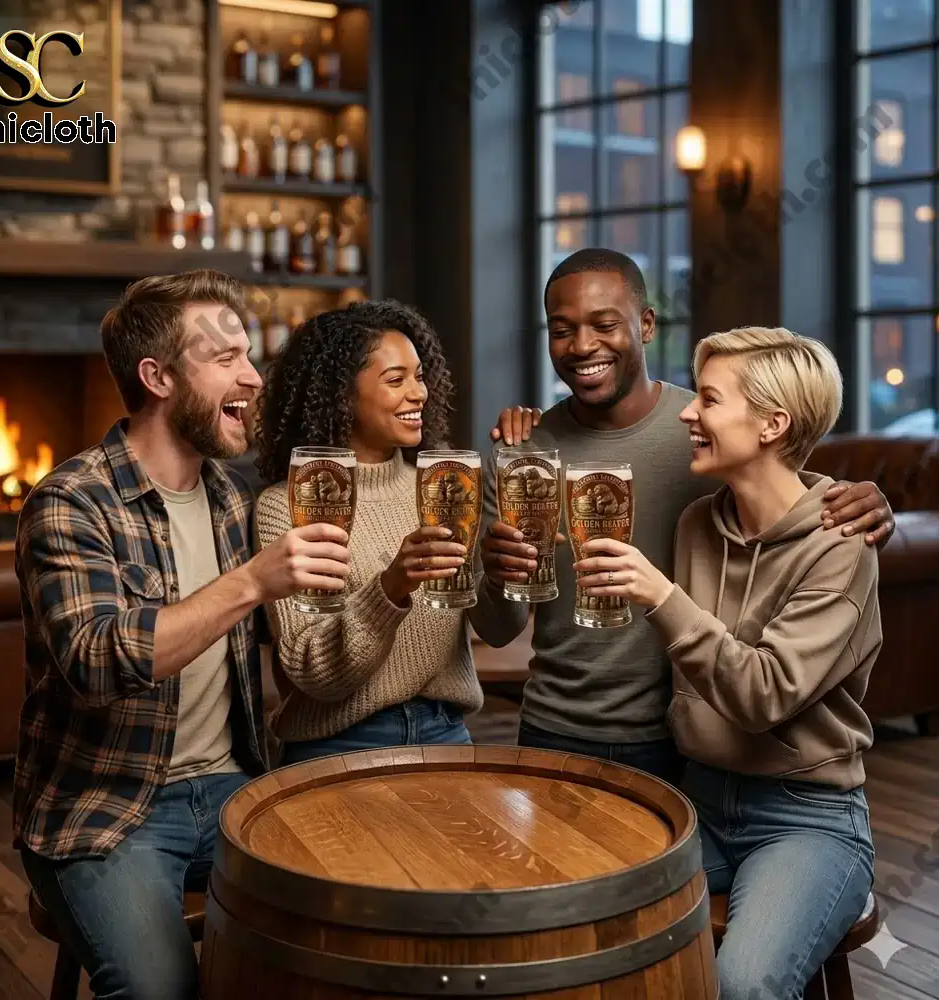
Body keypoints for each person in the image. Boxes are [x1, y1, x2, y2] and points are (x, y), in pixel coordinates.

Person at [13, 270, 352, 1000]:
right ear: (157, 375)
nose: (253, 378)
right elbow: (97, 660)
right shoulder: (71, 502)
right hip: (110, 810)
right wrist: (253, 582)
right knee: (159, 987)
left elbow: (296, 644)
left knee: (358, 925)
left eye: (250, 355)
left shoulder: (236, 497)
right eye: (227, 357)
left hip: (236, 786)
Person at [476, 248, 894, 786]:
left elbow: (786, 495)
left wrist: (868, 500)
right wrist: (499, 574)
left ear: (646, 325)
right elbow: (496, 626)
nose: (582, 346)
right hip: (553, 727)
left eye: (605, 324)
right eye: (562, 330)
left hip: (685, 739)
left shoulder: (703, 435)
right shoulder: (523, 450)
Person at [576, 326, 878, 999]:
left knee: (744, 984)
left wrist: (661, 594)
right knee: (580, 923)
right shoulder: (696, 525)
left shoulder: (841, 545)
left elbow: (765, 695)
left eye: (708, 399)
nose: (688, 411)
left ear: (773, 424)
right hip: (700, 801)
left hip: (808, 817)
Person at [254, 300, 502, 764]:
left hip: (447, 736)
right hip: (340, 746)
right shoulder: (286, 506)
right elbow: (313, 671)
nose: (419, 394)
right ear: (343, 396)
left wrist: (505, 573)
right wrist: (391, 587)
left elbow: (493, 625)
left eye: (420, 376)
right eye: (396, 380)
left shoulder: (442, 488)